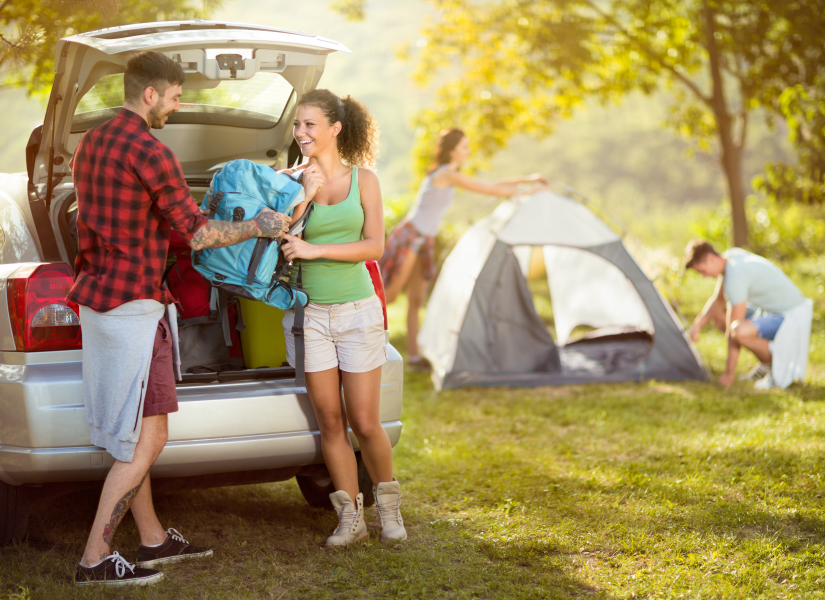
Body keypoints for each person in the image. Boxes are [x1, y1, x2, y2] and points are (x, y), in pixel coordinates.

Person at [70, 51, 296, 586]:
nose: (177, 105)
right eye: (174, 96)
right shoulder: (152, 151)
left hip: (98, 302)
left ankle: (152, 539)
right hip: (136, 309)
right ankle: (94, 558)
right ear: (150, 94)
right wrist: (258, 226)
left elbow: (128, 220)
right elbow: (197, 233)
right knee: (148, 436)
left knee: (128, 430)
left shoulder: (91, 144)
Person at [277, 89, 407, 547]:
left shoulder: (364, 180)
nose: (301, 133)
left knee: (366, 422)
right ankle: (349, 518)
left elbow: (375, 247)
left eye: (310, 125)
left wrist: (317, 249)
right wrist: (303, 196)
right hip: (310, 314)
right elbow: (277, 241)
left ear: (334, 129)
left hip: (357, 311)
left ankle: (389, 509)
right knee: (330, 422)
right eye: (297, 125)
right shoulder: (289, 179)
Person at [378, 128, 549, 369]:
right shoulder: (447, 173)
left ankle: (414, 357)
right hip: (410, 236)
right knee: (391, 296)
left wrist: (529, 179)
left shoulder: (452, 174)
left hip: (425, 240)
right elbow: (489, 190)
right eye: (464, 147)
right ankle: (365, 346)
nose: (468, 151)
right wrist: (531, 191)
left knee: (416, 300)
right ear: (452, 150)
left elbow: (490, 184)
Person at [684, 240, 812, 389]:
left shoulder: (735, 277)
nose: (704, 276)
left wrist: (729, 372)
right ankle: (765, 364)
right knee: (720, 318)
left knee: (738, 332)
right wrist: (698, 324)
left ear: (711, 259)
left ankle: (774, 366)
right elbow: (719, 301)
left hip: (791, 315)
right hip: (772, 311)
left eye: (702, 271)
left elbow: (734, 329)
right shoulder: (731, 257)